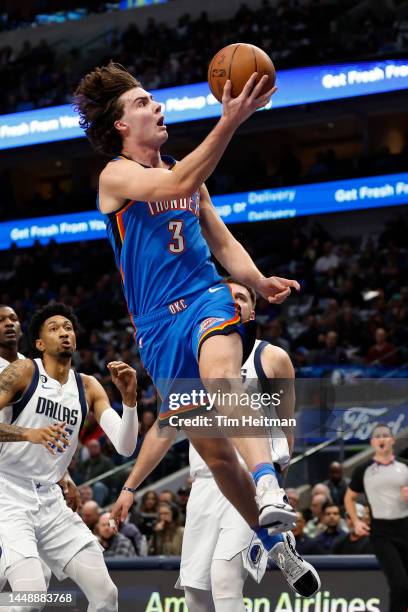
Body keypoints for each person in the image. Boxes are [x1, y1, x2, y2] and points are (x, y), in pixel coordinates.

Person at [75, 62, 300, 538]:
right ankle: (273, 543)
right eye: (142, 103)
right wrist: (229, 121)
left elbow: (219, 239)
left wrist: (257, 281)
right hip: (156, 326)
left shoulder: (185, 172)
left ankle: (268, 487)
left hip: (205, 296)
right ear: (120, 125)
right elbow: (174, 188)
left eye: (152, 98)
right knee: (216, 454)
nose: (156, 106)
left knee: (221, 375)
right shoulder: (115, 177)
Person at [110, 279, 320, 611]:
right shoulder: (191, 363)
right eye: (227, 296)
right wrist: (129, 487)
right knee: (195, 591)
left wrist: (277, 481)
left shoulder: (273, 358)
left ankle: (277, 539)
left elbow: (285, 427)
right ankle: (281, 546)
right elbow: (164, 429)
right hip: (205, 484)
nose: (234, 301)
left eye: (242, 297)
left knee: (225, 577)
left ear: (252, 310)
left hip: (251, 481)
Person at [0, 302, 139, 612]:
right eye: (54, 328)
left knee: (106, 594)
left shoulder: (88, 386)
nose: (63, 332)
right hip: (8, 493)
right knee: (31, 598)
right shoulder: (23, 371)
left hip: (51, 499)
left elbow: (125, 446)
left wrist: (129, 402)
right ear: (38, 344)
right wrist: (27, 434)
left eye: (68, 327)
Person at [0, 304, 78, 595]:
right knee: (30, 580)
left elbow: (46, 430)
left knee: (35, 579)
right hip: (6, 484)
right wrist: (29, 434)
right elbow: (33, 432)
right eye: (0, 320)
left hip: (19, 481)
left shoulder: (31, 367)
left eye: (13, 318)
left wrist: (64, 475)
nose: (8, 324)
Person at [345, 423, 408, 612]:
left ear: (392, 441)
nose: (382, 439)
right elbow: (349, 497)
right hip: (382, 534)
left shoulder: (405, 467)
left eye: (385, 435)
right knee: (400, 584)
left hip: (406, 527)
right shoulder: (363, 470)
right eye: (378, 436)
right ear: (372, 442)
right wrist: (356, 521)